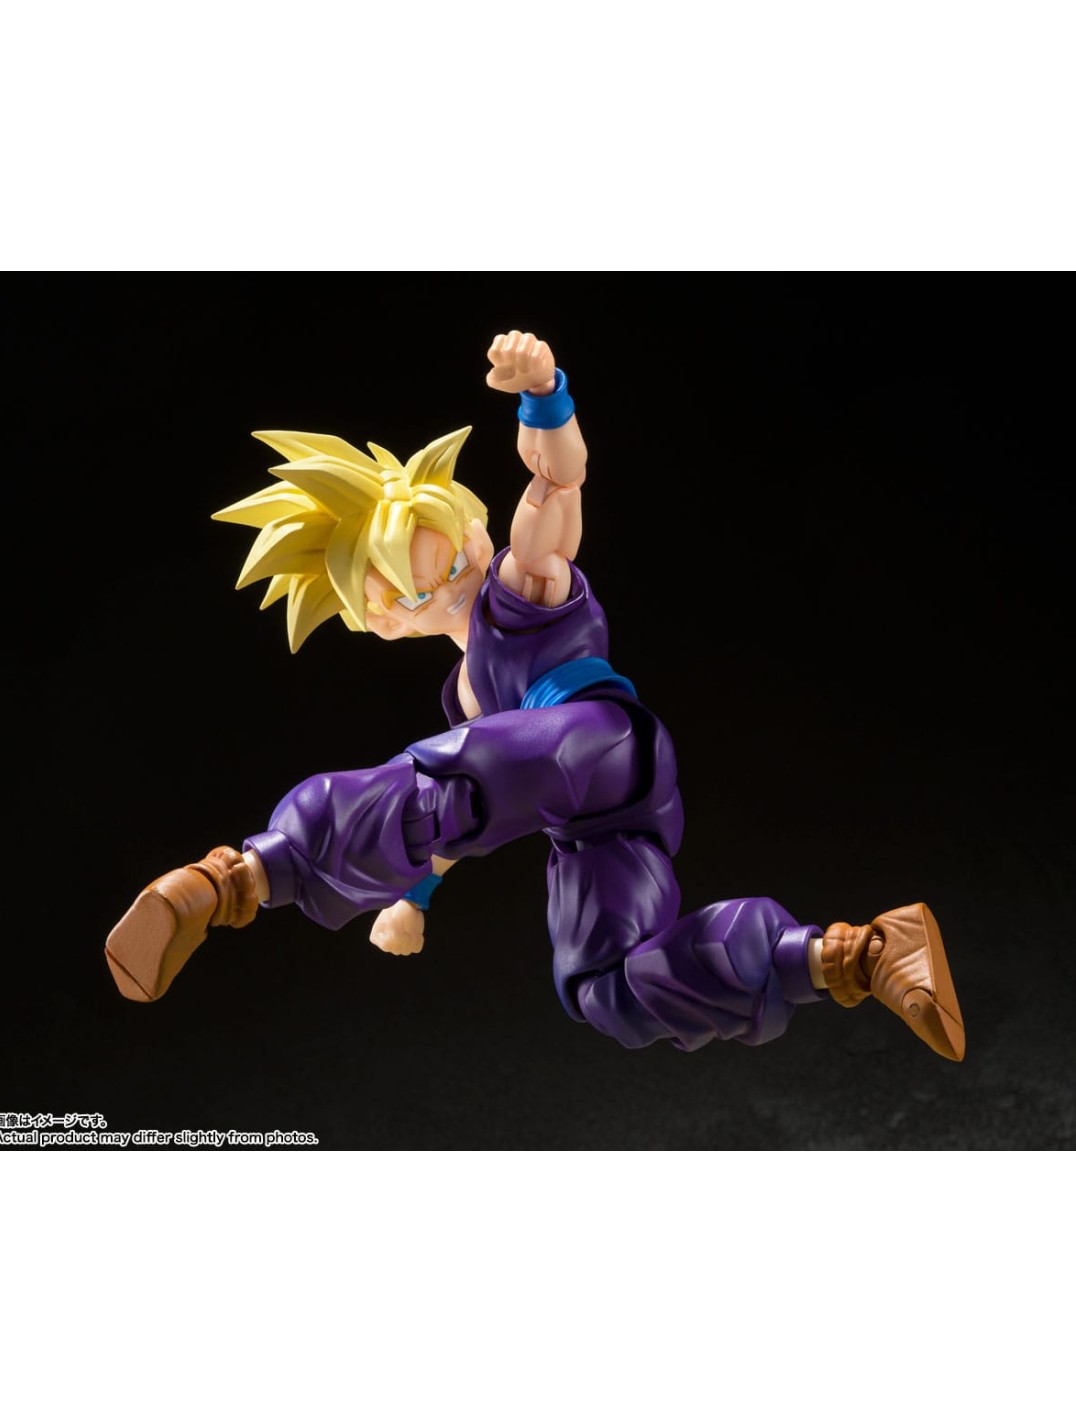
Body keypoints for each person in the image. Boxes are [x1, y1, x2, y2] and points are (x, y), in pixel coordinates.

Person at [105, 331, 965, 1061]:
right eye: (416, 585)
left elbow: (557, 492)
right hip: (600, 824)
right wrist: (413, 901)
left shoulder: (518, 590)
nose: (452, 576)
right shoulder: (465, 708)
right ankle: (859, 955)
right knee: (604, 987)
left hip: (598, 740)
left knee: (454, 772)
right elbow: (452, 816)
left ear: (475, 528)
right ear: (384, 624)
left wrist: (546, 397)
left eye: (453, 548)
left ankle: (233, 879)